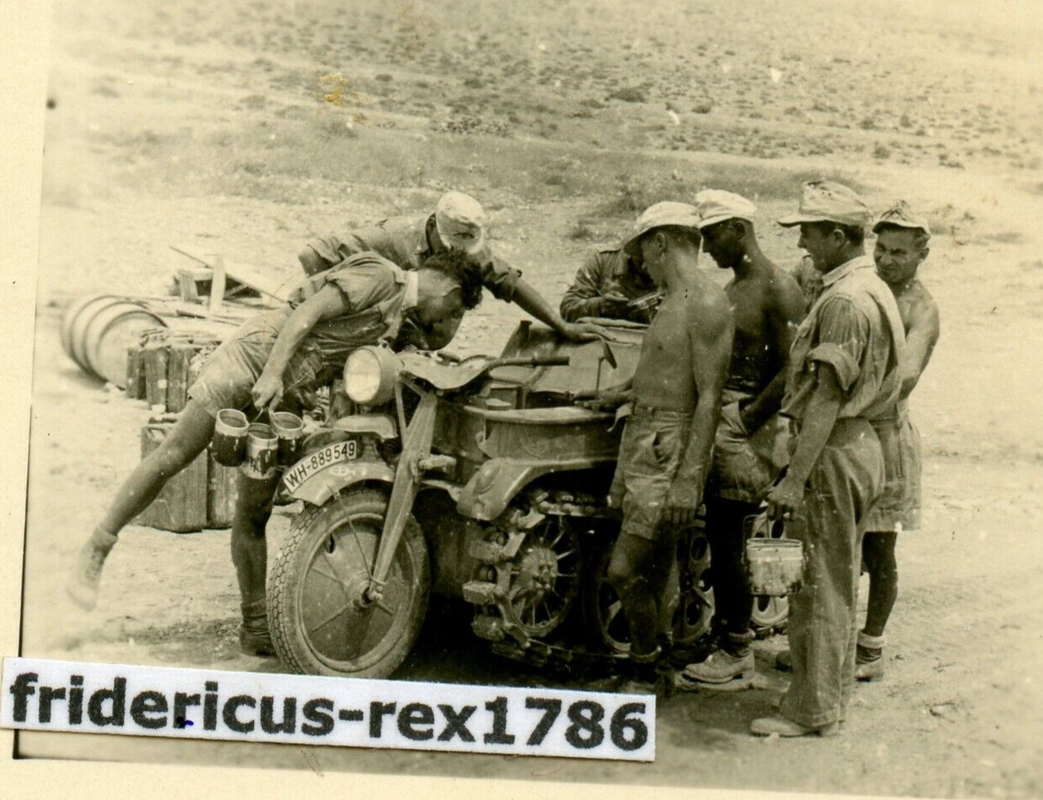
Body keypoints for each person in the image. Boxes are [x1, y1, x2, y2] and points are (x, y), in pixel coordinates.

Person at [67, 250, 484, 654]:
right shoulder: (381, 276)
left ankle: (254, 627)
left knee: (255, 509)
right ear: (450, 292)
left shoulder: (397, 315)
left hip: (284, 390)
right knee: (175, 454)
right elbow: (308, 314)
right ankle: (98, 546)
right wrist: (271, 373)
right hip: (254, 360)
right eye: (453, 313)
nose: (446, 322)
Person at [750, 181, 904, 737]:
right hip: (857, 445)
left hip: (833, 449)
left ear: (838, 236)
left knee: (818, 583)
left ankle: (811, 711)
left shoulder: (843, 301)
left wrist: (794, 478)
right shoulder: (869, 287)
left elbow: (826, 397)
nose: (803, 245)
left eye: (810, 233)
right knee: (836, 578)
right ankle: (828, 697)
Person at [602, 202, 733, 692]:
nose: (641, 263)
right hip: (644, 437)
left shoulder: (705, 302)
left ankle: (644, 664)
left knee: (624, 569)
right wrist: (617, 395)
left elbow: (709, 397)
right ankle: (656, 670)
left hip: (668, 446)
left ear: (660, 243)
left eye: (643, 252)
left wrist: (687, 480)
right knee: (657, 567)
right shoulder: (672, 299)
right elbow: (663, 372)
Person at [677, 190, 805, 688]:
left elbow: (794, 369)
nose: (708, 248)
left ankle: (736, 649)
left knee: (731, 536)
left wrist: (747, 420)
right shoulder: (734, 288)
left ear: (738, 229)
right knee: (719, 532)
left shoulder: (778, 288)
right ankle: (726, 635)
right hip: (727, 419)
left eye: (712, 236)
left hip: (749, 426)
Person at [300, 190, 602, 346]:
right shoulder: (392, 237)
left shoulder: (471, 250)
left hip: (418, 341)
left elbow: (512, 285)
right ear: (434, 226)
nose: (458, 254)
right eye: (451, 245)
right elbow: (311, 255)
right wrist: (334, 313)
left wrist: (562, 326)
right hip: (372, 330)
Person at [857, 202, 940, 679]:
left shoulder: (921, 309)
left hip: (886, 435)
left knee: (879, 548)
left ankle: (871, 649)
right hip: (850, 429)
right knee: (838, 543)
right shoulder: (868, 287)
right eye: (881, 249)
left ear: (921, 255)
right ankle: (831, 643)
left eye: (899, 253)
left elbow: (904, 378)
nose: (886, 260)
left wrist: (843, 406)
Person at [559, 242, 660, 323]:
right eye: (641, 259)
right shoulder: (603, 261)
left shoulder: (668, 263)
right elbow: (568, 308)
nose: (645, 266)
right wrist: (600, 305)